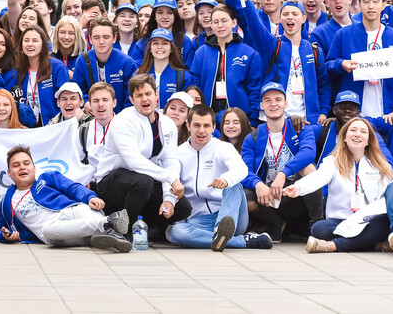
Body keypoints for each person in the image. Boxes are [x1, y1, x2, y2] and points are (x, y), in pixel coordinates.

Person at [93, 74, 191, 233]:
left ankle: (141, 228)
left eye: (148, 93)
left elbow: (170, 161)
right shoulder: (123, 120)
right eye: (139, 95)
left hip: (144, 182)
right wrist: (170, 178)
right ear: (131, 100)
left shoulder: (168, 124)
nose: (145, 99)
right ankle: (122, 233)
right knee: (143, 182)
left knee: (183, 207)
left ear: (156, 95)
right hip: (110, 181)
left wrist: (169, 198)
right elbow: (134, 161)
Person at [169, 104, 273, 250]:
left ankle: (221, 231)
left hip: (230, 217)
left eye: (206, 126)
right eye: (197, 125)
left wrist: (225, 180)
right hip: (198, 221)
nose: (201, 130)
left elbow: (241, 169)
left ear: (213, 128)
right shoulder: (178, 153)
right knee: (176, 232)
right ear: (188, 125)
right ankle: (242, 241)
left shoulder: (223, 148)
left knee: (234, 184)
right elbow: (170, 181)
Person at [283, 118, 393, 252]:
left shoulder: (382, 166)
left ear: (369, 140)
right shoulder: (332, 162)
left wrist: (364, 216)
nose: (357, 134)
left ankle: (332, 246)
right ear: (344, 137)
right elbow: (318, 177)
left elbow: (384, 199)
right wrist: (299, 187)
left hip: (368, 221)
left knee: (383, 224)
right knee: (319, 229)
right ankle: (371, 244)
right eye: (353, 130)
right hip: (340, 221)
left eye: (363, 132)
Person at [229, 0, 329, 127]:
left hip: (308, 120)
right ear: (280, 19)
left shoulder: (314, 50)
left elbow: (324, 84)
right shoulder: (272, 44)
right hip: (275, 119)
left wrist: (323, 112)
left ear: (303, 18)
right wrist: (246, 1)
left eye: (295, 14)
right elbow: (256, 26)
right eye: (286, 14)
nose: (290, 17)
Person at [0, 145, 131, 250]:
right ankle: (108, 223)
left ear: (34, 167)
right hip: (57, 232)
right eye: (16, 165)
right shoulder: (7, 202)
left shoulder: (48, 178)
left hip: (73, 211)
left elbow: (73, 187)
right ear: (9, 173)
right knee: (47, 230)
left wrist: (90, 197)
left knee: (85, 209)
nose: (22, 167)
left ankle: (109, 233)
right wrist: (5, 236)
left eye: (26, 163)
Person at [241, 82, 321, 242]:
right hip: (267, 194)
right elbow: (244, 171)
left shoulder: (301, 129)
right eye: (268, 100)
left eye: (278, 99)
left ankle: (316, 227)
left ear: (286, 103)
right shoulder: (252, 138)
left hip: (293, 192)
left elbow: (308, 153)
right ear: (261, 106)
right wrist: (258, 184)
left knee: (309, 169)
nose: (273, 104)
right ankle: (274, 224)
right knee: (244, 194)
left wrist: (284, 174)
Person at [327, 0, 393, 117]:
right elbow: (329, 65)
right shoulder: (343, 34)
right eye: (366, 1)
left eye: (375, 1)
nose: (371, 6)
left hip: (386, 113)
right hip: (353, 110)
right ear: (359, 5)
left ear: (383, 5)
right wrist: (341, 64)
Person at [189, 4, 263, 123]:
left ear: (234, 23)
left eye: (224, 21)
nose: (220, 25)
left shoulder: (249, 53)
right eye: (215, 22)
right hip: (208, 118)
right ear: (211, 25)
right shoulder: (201, 53)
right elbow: (196, 87)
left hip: (240, 118)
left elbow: (254, 90)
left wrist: (253, 120)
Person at [72, 17, 138, 110]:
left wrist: (122, 116)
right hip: (92, 114)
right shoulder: (82, 60)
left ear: (114, 38)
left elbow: (131, 96)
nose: (101, 42)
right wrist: (86, 102)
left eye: (106, 37)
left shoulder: (127, 63)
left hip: (120, 116)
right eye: (96, 37)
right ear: (90, 39)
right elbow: (77, 90)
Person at [316, 90, 392, 165]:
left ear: (358, 113)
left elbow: (388, 163)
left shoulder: (369, 134)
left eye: (352, 108)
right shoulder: (322, 130)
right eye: (343, 107)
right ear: (334, 110)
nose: (347, 111)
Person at [13, 25, 68, 127]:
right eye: (26, 40)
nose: (30, 44)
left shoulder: (57, 67)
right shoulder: (17, 70)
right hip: (25, 128)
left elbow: (65, 100)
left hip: (52, 127)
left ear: (43, 44)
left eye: (35, 40)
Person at [130, 0, 195, 68]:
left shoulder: (185, 41)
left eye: (169, 13)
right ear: (154, 16)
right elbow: (135, 70)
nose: (165, 17)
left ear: (175, 16)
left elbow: (189, 69)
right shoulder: (143, 43)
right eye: (160, 12)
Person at [136, 28, 194, 107]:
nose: (160, 47)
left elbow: (188, 106)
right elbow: (131, 103)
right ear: (150, 48)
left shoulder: (184, 77)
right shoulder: (139, 74)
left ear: (171, 49)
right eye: (155, 43)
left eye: (164, 43)